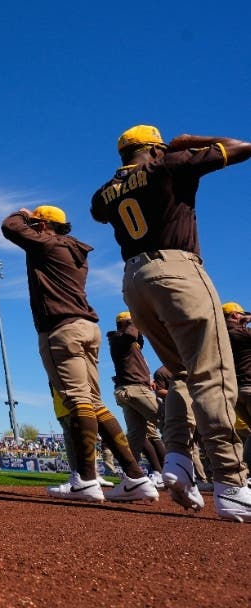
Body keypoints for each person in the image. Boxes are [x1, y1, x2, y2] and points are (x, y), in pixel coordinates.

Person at [90, 125, 251, 520]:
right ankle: (231, 483)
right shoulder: (169, 164)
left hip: (133, 281)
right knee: (213, 375)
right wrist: (190, 143)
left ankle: (176, 456)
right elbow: (242, 147)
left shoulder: (105, 191)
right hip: (177, 269)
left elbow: (98, 210)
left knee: (181, 374)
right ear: (153, 147)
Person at [1, 206, 157, 503]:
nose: (33, 228)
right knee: (94, 402)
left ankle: (86, 479)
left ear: (45, 225)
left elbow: (10, 226)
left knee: (77, 401)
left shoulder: (47, 244)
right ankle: (135, 476)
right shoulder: (74, 250)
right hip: (87, 327)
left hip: (62, 329)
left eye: (36, 224)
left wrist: (21, 214)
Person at [107, 311, 166, 486]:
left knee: (136, 435)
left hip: (129, 391)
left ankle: (131, 475)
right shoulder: (119, 337)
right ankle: (175, 469)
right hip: (135, 390)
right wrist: (138, 318)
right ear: (126, 324)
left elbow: (138, 338)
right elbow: (133, 333)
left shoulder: (128, 341)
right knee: (168, 419)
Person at [222, 302, 251, 471]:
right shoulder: (240, 333)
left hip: (234, 392)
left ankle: (247, 473)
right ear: (234, 315)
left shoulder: (219, 335)